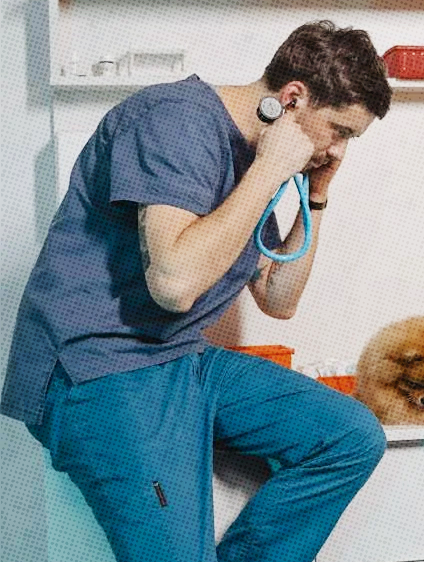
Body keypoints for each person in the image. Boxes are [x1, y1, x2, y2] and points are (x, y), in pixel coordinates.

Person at [2, 21, 393, 562]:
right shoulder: (175, 120)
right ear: (293, 98)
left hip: (178, 358)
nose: (337, 149)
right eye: (338, 130)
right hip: (97, 368)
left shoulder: (257, 158)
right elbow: (174, 285)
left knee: (350, 437)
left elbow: (279, 299)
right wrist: (273, 168)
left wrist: (317, 194)